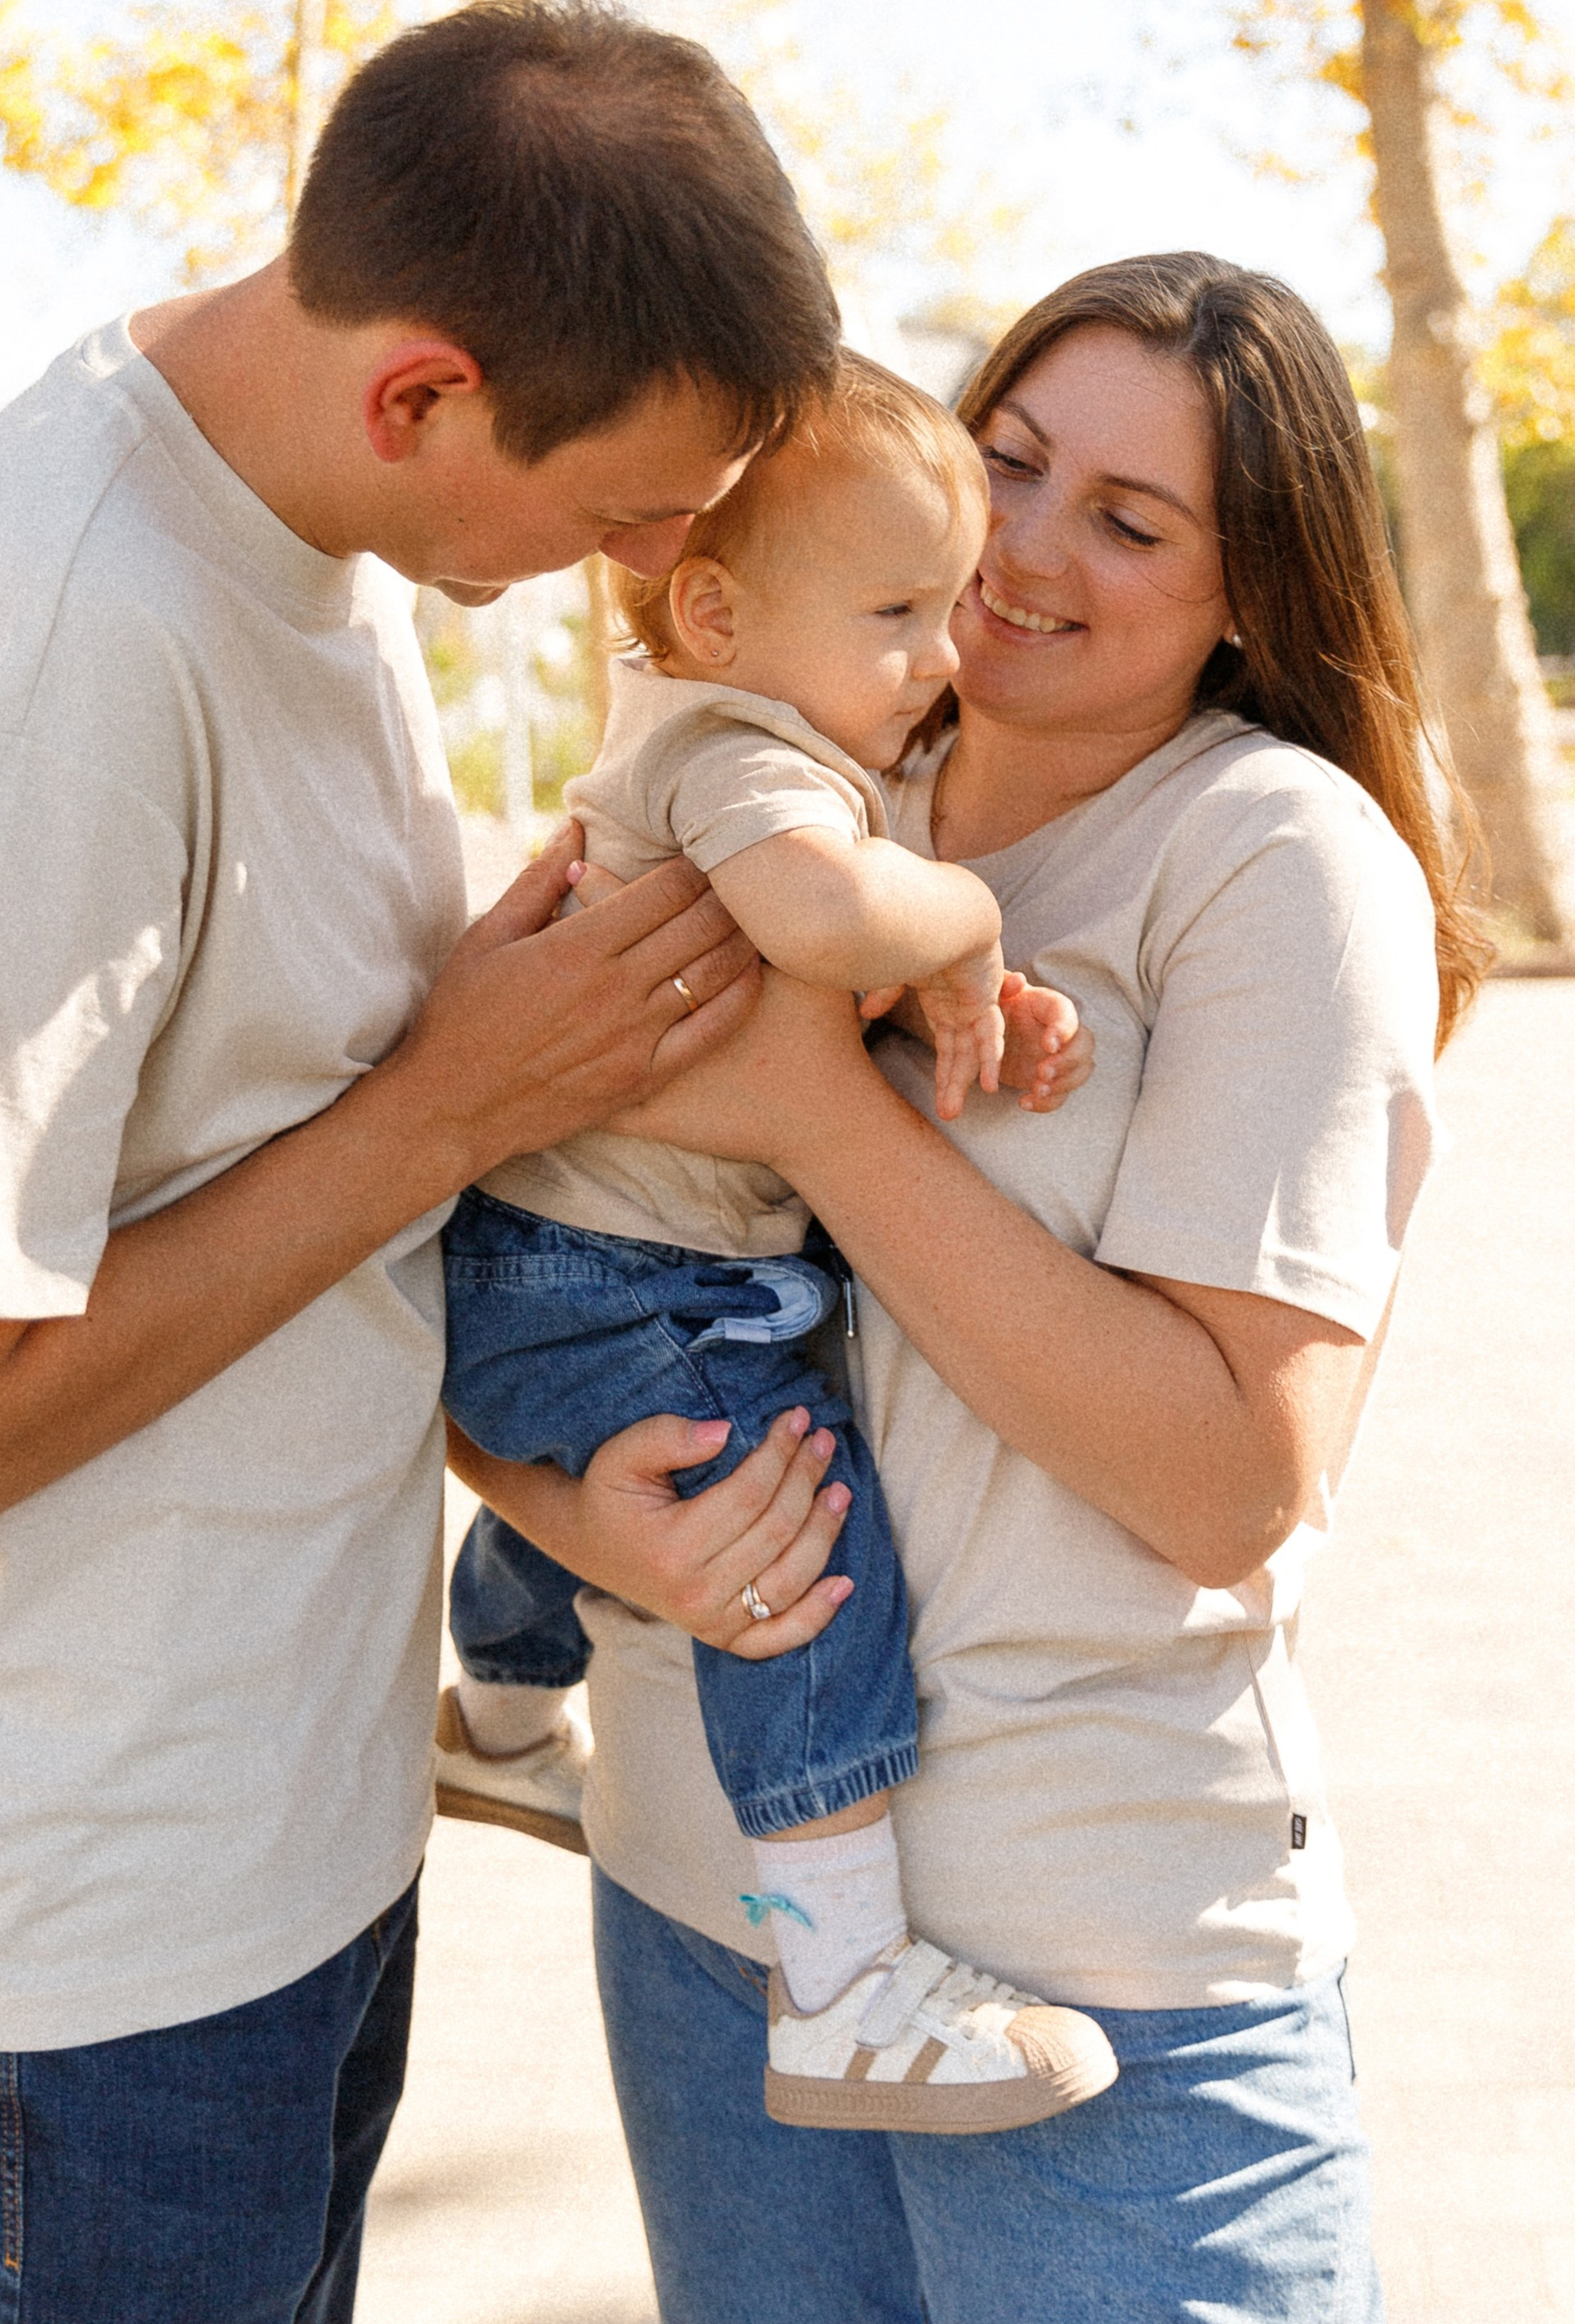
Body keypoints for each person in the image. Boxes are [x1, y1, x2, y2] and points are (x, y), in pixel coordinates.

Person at [0, 0, 861, 2324]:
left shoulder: (320, 556)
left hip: (271, 1838)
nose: (665, 569)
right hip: (78, 1947)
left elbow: (287, 1138)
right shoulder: (60, 661)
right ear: (424, 393)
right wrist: (457, 1094)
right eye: (626, 510)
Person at [450, 251, 1485, 2324]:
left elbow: (1229, 1478)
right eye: (1012, 458)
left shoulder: (1269, 861)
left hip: (1089, 1956)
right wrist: (556, 1508)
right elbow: (493, 1191)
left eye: (1132, 518)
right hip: (717, 1906)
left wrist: (823, 1113)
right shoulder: (787, 779)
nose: (1024, 545)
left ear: (1243, 595)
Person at [435, 355, 1113, 2133]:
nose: (942, 654)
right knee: (792, 1548)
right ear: (716, 610)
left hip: (553, 1256)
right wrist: (961, 914)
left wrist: (962, 998)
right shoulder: (738, 749)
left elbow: (806, 973)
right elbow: (818, 916)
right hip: (619, 1275)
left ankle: (497, 1722)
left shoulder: (750, 743)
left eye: (944, 609)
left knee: (619, 1472)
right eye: (894, 612)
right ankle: (838, 1982)